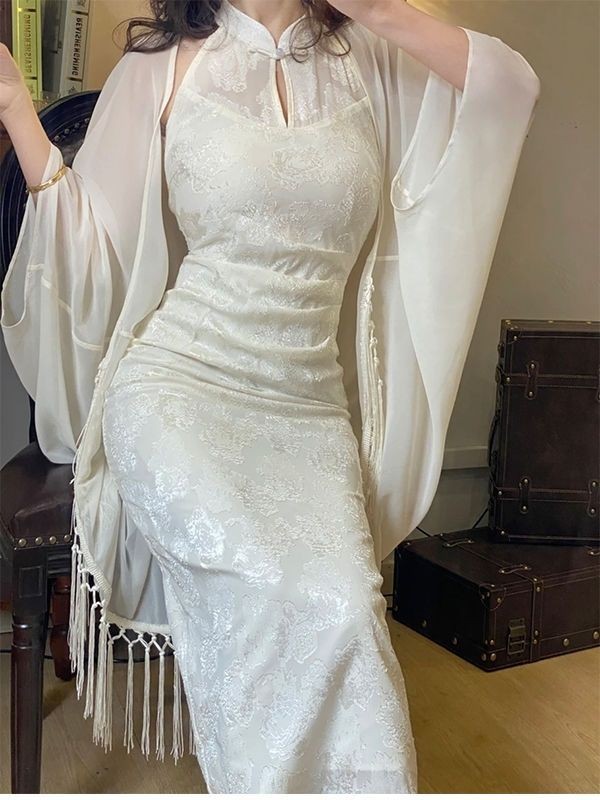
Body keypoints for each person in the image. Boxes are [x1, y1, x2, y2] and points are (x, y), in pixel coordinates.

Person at [0, 0, 541, 793]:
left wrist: (377, 9)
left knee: (346, 609)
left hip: (308, 406)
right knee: (268, 583)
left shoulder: (373, 58)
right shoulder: (164, 65)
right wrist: (17, 109)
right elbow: (91, 247)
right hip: (179, 388)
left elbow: (512, 87)